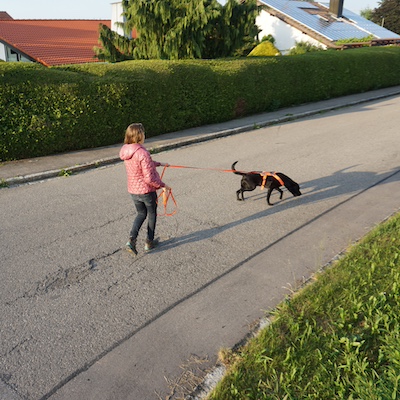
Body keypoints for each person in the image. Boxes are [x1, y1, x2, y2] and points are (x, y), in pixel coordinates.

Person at [119, 123, 170, 255]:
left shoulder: (126, 150)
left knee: (141, 214)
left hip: (133, 190)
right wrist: (163, 185)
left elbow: (143, 164)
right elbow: (149, 179)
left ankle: (131, 240)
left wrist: (159, 164)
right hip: (146, 191)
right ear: (140, 135)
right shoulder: (142, 152)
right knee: (152, 214)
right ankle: (149, 242)